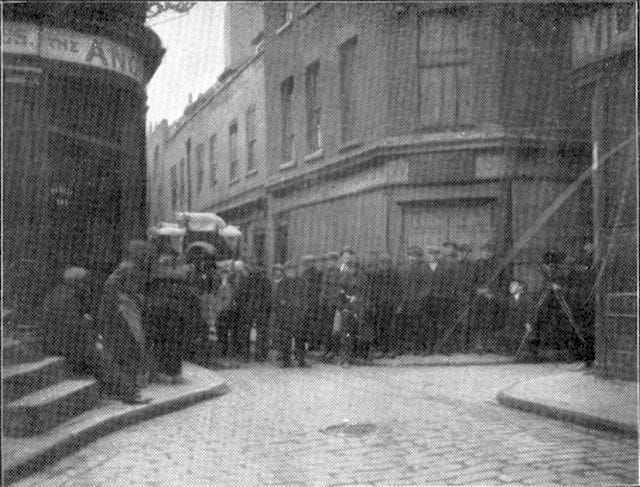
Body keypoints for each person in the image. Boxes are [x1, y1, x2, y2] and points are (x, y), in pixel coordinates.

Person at [43, 267, 148, 404]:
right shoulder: (66, 298)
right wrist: (89, 328)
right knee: (101, 357)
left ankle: (124, 390)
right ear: (76, 282)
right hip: (63, 343)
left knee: (105, 350)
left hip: (65, 340)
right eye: (84, 283)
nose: (86, 286)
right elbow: (72, 326)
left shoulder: (62, 293)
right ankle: (129, 394)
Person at [98, 240, 154, 390]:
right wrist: (138, 300)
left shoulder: (128, 267)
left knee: (127, 343)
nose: (146, 256)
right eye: (144, 253)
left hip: (122, 306)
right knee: (132, 341)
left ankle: (129, 380)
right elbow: (129, 290)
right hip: (123, 308)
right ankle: (130, 381)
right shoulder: (129, 268)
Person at [145, 260, 203, 383]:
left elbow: (148, 304)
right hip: (177, 322)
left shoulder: (155, 286)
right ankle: (174, 373)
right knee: (175, 347)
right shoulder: (185, 289)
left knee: (160, 346)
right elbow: (195, 308)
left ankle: (162, 373)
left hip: (159, 320)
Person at [467, 243, 500, 354]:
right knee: (479, 321)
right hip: (479, 298)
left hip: (492, 298)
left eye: (489, 251)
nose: (486, 253)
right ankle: (479, 345)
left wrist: (494, 294)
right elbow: (471, 282)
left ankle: (490, 344)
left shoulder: (497, 264)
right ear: (481, 252)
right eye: (484, 251)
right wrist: (479, 290)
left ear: (492, 252)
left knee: (491, 321)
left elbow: (502, 281)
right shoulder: (477, 264)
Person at [337, 254, 365, 366]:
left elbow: (366, 293)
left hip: (359, 308)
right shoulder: (343, 279)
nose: (352, 269)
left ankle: (361, 355)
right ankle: (346, 358)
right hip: (347, 309)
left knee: (360, 332)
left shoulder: (363, 278)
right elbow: (340, 295)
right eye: (350, 267)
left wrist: (357, 298)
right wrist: (343, 306)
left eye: (355, 267)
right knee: (346, 333)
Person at [497, 280, 533, 356]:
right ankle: (510, 351)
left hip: (521, 323)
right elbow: (504, 312)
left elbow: (529, 312)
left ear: (519, 288)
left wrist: (527, 323)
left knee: (521, 339)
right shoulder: (508, 299)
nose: (510, 288)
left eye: (513, 286)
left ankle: (521, 353)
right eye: (510, 286)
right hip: (511, 324)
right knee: (510, 337)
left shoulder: (526, 299)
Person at [319, 252, 341, 357]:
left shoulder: (339, 272)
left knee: (335, 328)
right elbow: (324, 287)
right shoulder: (326, 272)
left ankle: (334, 350)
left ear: (336, 262)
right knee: (326, 327)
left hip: (335, 303)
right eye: (329, 261)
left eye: (332, 261)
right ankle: (326, 348)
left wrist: (335, 301)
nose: (330, 263)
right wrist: (323, 299)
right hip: (326, 303)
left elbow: (339, 288)